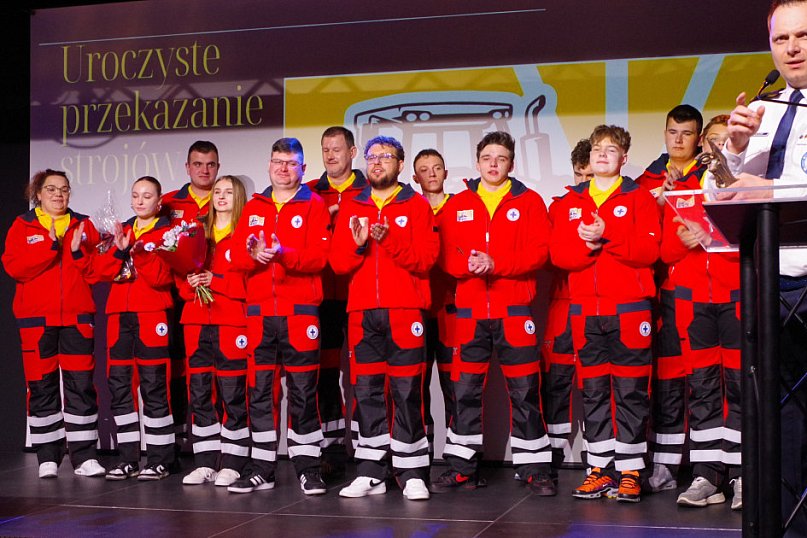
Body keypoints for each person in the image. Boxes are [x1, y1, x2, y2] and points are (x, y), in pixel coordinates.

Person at [711, 1, 807, 531]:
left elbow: (768, 189)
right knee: (779, 416)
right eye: (780, 39)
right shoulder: (765, 110)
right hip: (769, 282)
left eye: (803, 36)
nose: (791, 48)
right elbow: (723, 193)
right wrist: (735, 147)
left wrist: (769, 188)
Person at [435, 131, 555, 496]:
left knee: (525, 391)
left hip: (514, 311)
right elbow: (445, 254)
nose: (493, 164)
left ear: (511, 164)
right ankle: (461, 469)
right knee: (464, 391)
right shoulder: (458, 204)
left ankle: (534, 469)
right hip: (470, 313)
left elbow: (540, 252)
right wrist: (468, 267)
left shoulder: (530, 201)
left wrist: (496, 264)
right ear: (477, 162)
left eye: (501, 158)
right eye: (487, 157)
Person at [550, 125, 660, 503]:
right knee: (594, 391)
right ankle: (598, 470)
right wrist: (588, 244)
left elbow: (649, 251)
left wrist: (607, 234)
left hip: (629, 308)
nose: (601, 154)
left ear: (623, 158)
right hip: (585, 310)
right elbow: (559, 255)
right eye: (597, 148)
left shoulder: (639, 197)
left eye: (610, 149)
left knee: (631, 392)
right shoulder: (571, 201)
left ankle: (630, 472)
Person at [330, 135, 438, 501]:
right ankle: (371, 471)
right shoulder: (352, 205)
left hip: (405, 310)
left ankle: (412, 472)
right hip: (362, 313)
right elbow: (338, 263)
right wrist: (359, 243)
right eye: (372, 156)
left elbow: (426, 260)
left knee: (407, 392)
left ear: (400, 164)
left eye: (385, 156)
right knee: (366, 392)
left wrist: (389, 240)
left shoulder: (416, 205)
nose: (377, 162)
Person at [228, 138, 330, 495]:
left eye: (291, 163)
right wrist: (251, 256)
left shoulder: (314, 204)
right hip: (259, 313)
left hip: (299, 313)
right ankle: (262, 468)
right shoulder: (254, 206)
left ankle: (308, 468)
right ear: (269, 165)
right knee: (259, 392)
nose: (283, 168)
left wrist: (284, 253)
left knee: (303, 391)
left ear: (303, 168)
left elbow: (320, 258)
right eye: (277, 162)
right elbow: (236, 256)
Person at [655, 115, 743, 509]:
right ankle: (707, 476)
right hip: (693, 302)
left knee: (740, 387)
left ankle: (742, 474)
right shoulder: (684, 188)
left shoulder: (745, 187)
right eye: (713, 141)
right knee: (703, 388)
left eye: (726, 141)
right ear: (703, 144)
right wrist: (685, 242)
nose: (717, 148)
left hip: (736, 296)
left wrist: (714, 237)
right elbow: (665, 251)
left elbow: (758, 243)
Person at [2, 169, 105, 480]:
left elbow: (96, 270)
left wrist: (80, 251)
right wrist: (48, 247)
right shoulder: (22, 225)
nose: (58, 194)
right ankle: (47, 457)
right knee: (41, 386)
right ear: (38, 194)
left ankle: (85, 457)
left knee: (81, 386)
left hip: (77, 317)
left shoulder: (84, 225)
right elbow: (15, 267)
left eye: (64, 189)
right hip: (36, 320)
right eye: (51, 189)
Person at [635, 105, 706, 493]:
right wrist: (659, 198)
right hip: (662, 294)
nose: (678, 140)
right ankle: (664, 466)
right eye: (672, 132)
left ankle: (712, 469)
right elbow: (635, 230)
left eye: (687, 133)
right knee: (667, 381)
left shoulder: (709, 174)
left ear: (699, 138)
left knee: (707, 381)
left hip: (703, 290)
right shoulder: (646, 180)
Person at [96, 176, 176, 481]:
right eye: (135, 195)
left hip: (150, 312)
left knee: (154, 386)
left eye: (147, 196)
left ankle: (159, 460)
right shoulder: (120, 231)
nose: (140, 201)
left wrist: (138, 251)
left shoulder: (168, 233)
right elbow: (102, 272)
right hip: (119, 314)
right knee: (119, 385)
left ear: (159, 202)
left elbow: (161, 278)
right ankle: (127, 458)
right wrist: (119, 250)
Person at [179, 175, 250, 487]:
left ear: (239, 198)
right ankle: (205, 461)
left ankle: (233, 462)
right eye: (217, 191)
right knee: (199, 393)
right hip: (196, 321)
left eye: (228, 192)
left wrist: (216, 281)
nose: (221, 197)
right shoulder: (196, 233)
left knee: (233, 393)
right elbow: (179, 279)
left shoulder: (246, 234)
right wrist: (190, 282)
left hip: (231, 321)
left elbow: (252, 283)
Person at [306, 126, 368, 475]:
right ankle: (330, 452)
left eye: (337, 149)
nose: (331, 155)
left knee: (364, 376)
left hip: (360, 295)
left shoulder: (370, 190)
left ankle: (368, 449)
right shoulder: (309, 193)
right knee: (326, 376)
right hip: (321, 299)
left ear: (352, 152)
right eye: (326, 149)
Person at [161, 140, 221, 460]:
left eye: (210, 164)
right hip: (176, 297)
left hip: (215, 296)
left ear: (218, 167)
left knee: (215, 371)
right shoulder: (169, 203)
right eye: (198, 164)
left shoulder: (226, 198)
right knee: (177, 371)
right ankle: (175, 440)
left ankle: (218, 441)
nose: (204, 170)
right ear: (187, 167)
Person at [541, 139, 591, 478]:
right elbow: (549, 257)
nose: (583, 181)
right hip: (561, 305)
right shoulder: (558, 207)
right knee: (555, 381)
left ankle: (598, 456)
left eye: (589, 175)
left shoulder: (613, 203)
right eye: (578, 174)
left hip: (597, 303)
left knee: (596, 384)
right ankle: (552, 454)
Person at [411, 148, 455, 457]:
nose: (432, 174)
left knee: (456, 388)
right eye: (424, 169)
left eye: (437, 167)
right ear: (415, 178)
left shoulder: (461, 207)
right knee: (416, 388)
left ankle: (459, 463)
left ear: (445, 172)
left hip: (452, 311)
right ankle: (420, 460)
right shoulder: (410, 209)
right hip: (417, 311)